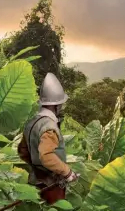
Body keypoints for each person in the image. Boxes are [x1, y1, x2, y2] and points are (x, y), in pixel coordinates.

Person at [18, 72, 79, 204]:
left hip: (34, 181)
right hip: (51, 185)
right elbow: (46, 156)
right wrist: (67, 173)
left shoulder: (33, 122)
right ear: (56, 105)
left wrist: (36, 168)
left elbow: (22, 151)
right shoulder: (49, 126)